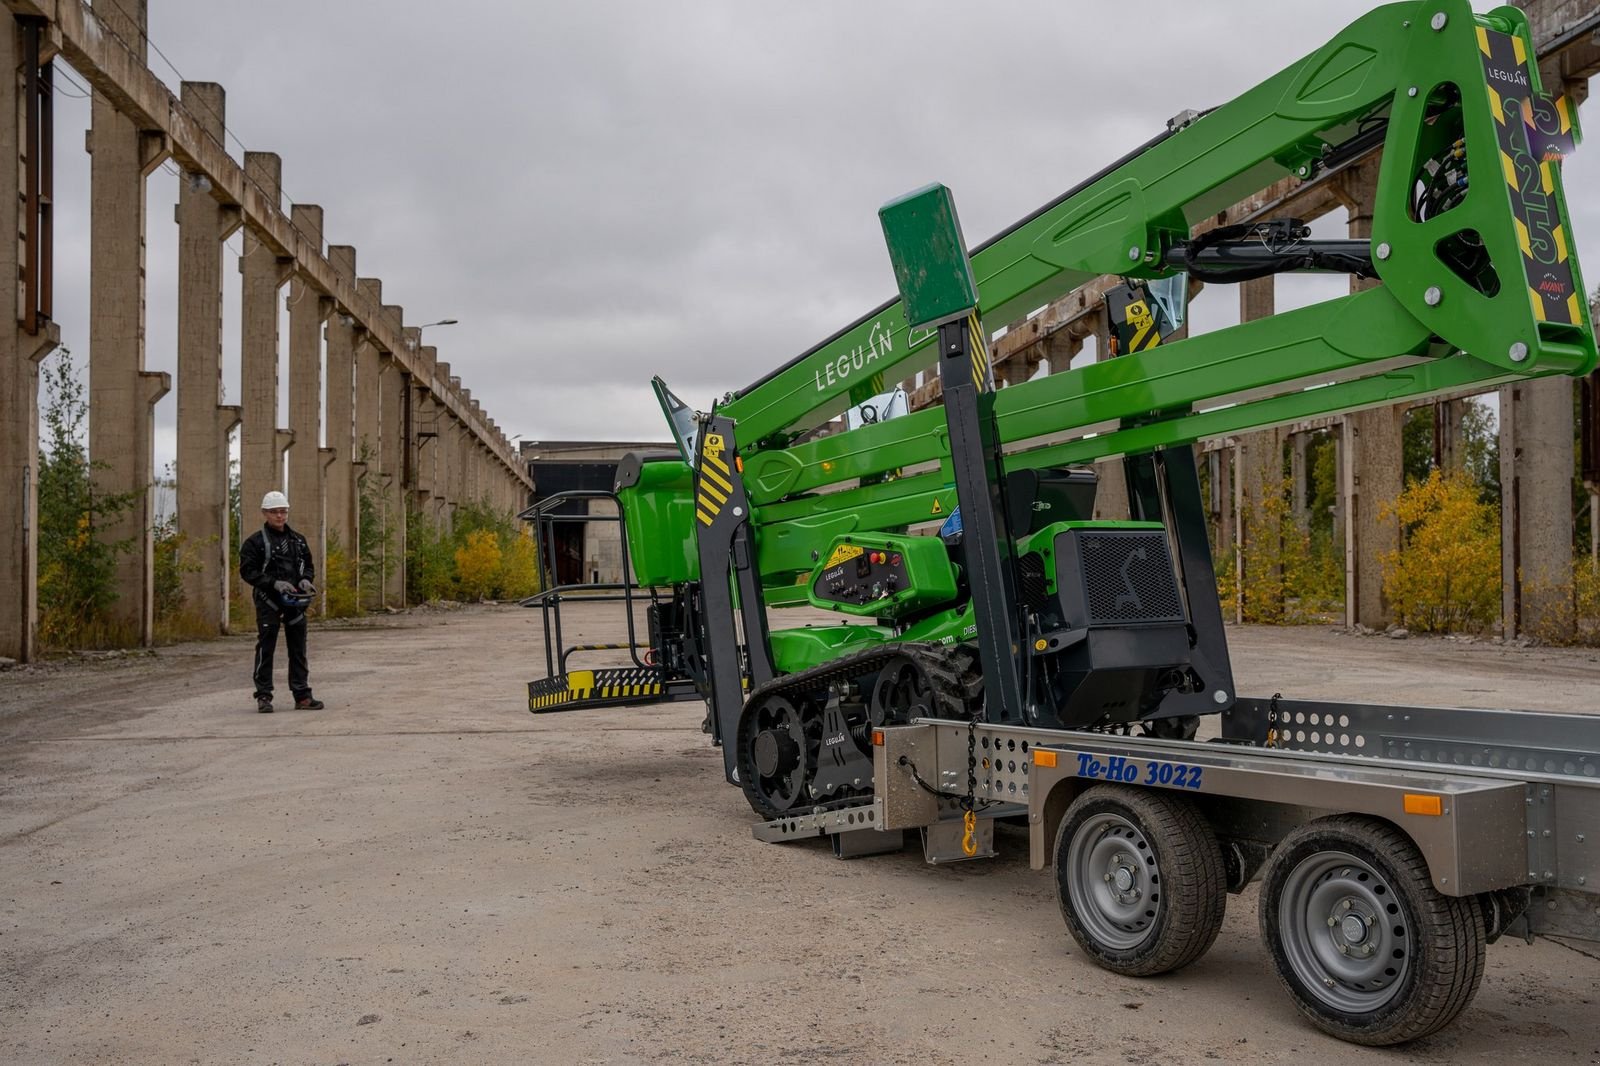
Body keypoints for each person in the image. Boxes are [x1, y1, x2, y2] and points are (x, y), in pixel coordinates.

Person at [239, 490, 325, 713]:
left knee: (298, 648)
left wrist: (306, 580)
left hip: (295, 602)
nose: (280, 516)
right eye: (275, 512)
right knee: (266, 647)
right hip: (269, 600)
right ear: (265, 513)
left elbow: (308, 564)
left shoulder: (298, 540)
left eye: (283, 512)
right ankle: (264, 696)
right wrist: (273, 583)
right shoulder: (255, 543)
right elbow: (248, 571)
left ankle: (302, 695)